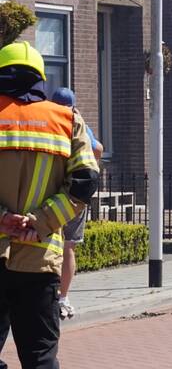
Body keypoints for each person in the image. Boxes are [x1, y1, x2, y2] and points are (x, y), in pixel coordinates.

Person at [0, 42, 99, 369]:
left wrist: (3, 219)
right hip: (39, 261)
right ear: (41, 78)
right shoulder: (66, 119)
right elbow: (86, 182)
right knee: (40, 358)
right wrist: (39, 223)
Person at [49, 88, 103, 321]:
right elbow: (98, 148)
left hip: (52, 191)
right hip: (74, 195)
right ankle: (64, 297)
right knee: (69, 246)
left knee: (48, 241)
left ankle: (48, 294)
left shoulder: (49, 120)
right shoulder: (79, 122)